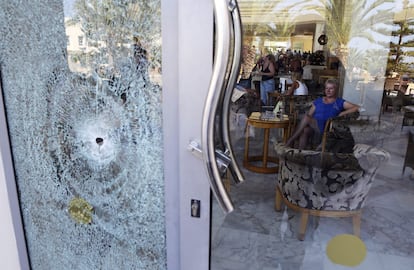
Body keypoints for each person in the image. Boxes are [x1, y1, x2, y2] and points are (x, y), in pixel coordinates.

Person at [285, 79, 359, 149]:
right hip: (316, 126)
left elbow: (357, 107)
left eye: (331, 88)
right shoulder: (318, 101)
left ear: (336, 90)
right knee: (305, 129)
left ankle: (290, 141)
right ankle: (300, 152)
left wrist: (343, 113)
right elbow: (310, 114)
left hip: (327, 126)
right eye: (326, 88)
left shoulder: (339, 102)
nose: (328, 91)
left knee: (307, 118)